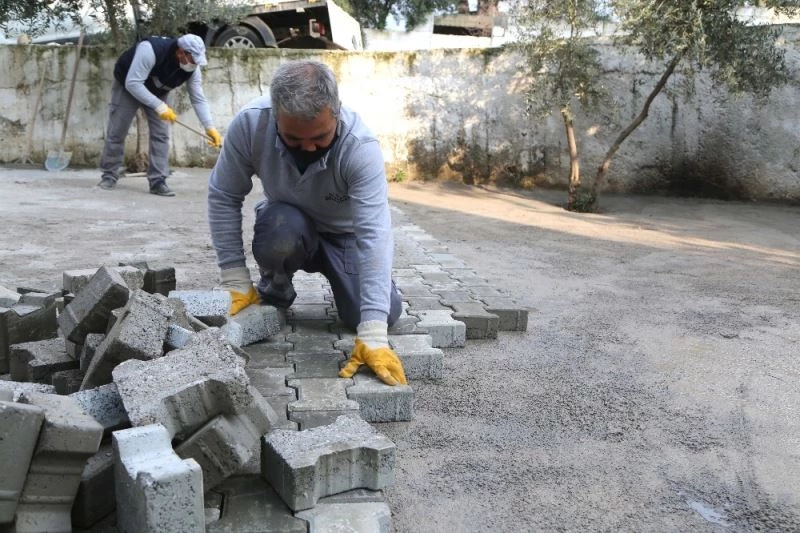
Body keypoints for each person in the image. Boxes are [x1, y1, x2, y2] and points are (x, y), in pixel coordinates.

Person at [208, 59, 407, 386]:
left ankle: (375, 292)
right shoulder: (250, 124)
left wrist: (373, 331)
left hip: (344, 236)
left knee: (383, 313)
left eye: (320, 137)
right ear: (275, 115)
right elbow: (223, 195)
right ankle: (276, 289)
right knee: (280, 231)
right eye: (294, 139)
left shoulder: (360, 146)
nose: (309, 147)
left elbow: (374, 233)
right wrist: (234, 278)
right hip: (288, 225)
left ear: (336, 112)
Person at [97, 34, 222, 197]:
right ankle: (109, 175)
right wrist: (160, 106)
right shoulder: (150, 50)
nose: (195, 64)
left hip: (157, 91)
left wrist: (209, 127)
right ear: (181, 52)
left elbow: (198, 98)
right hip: (129, 85)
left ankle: (158, 180)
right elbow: (133, 83)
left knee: (161, 134)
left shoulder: (192, 69)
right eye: (193, 59)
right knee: (117, 131)